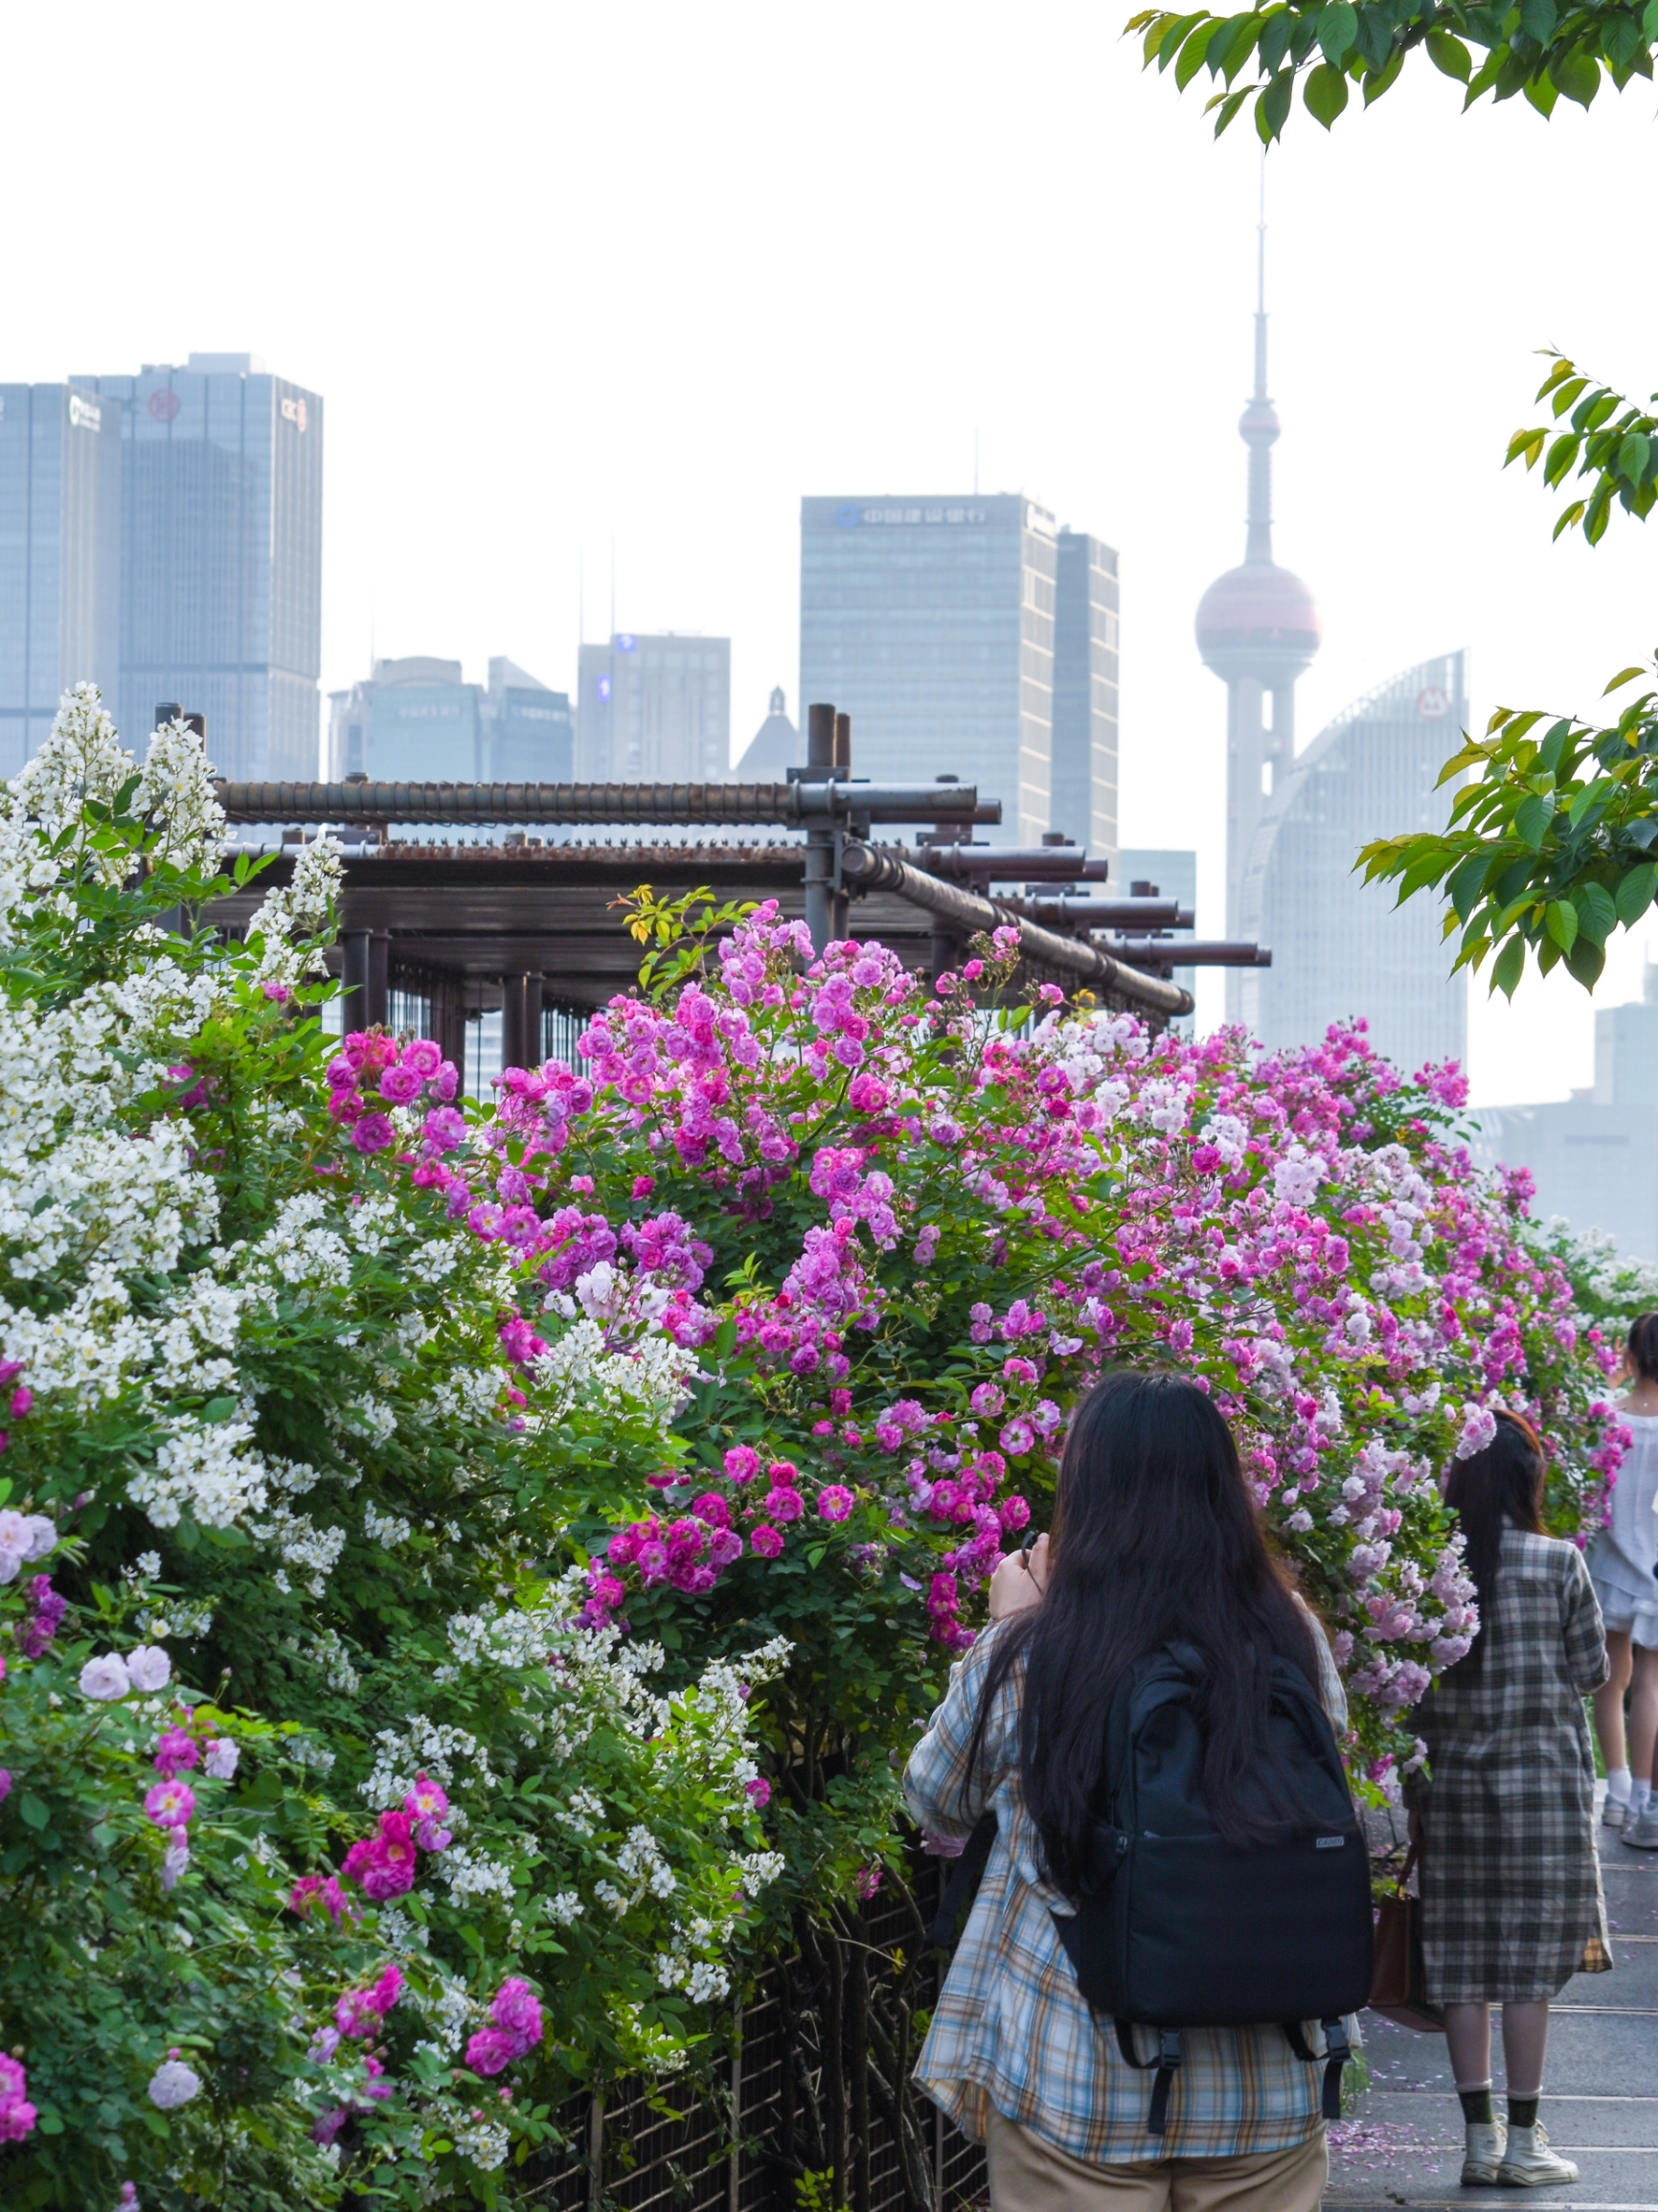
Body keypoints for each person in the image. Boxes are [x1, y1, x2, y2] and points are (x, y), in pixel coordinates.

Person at [903, 1370, 1352, 2212]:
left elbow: (934, 1799)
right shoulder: (1289, 1638)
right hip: (1270, 2075)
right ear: (1223, 1493)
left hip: (1079, 2073)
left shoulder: (1040, 1649)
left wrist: (1005, 1625)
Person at [1411, 1409, 1609, 2188]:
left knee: (1460, 1965)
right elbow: (1592, 1670)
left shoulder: (1433, 1570)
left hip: (1453, 1788)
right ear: (1526, 1480)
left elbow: (1410, 1691)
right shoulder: (1557, 1562)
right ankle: (1525, 2142)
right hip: (1542, 1796)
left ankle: (1476, 2139)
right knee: (1527, 1969)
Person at [1589, 1313, 1658, 1848]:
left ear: (1629, 1354)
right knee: (1650, 1684)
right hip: (1656, 1569)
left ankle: (1614, 1792)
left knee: (1611, 1681)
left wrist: (1609, 1384)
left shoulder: (1607, 1417)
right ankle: (1645, 1799)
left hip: (1611, 1567)